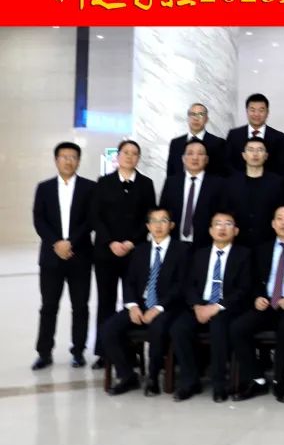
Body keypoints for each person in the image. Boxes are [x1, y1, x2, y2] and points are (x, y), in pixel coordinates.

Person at [99, 207, 188, 396]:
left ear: (171, 225)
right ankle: (127, 375)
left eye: (163, 220)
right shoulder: (140, 251)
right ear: (148, 226)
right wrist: (132, 306)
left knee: (157, 329)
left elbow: (181, 286)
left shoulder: (181, 250)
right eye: (154, 221)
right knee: (108, 330)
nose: (158, 225)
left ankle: (153, 377)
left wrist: (158, 307)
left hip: (167, 307)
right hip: (139, 305)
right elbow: (129, 281)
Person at [229, 205, 284, 403]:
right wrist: (257, 297)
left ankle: (279, 381)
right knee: (237, 328)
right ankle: (257, 379)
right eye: (280, 218)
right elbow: (252, 280)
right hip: (266, 304)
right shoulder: (262, 249)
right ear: (273, 224)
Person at [170, 211, 253, 402]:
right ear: (210, 230)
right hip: (200, 305)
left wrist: (217, 307)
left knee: (219, 328)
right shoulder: (199, 254)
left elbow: (244, 289)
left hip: (226, 307)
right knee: (178, 328)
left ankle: (219, 384)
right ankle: (190, 381)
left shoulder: (244, 255)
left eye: (228, 224)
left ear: (236, 231)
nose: (222, 228)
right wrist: (197, 306)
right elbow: (188, 284)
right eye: (218, 224)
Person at [90, 139, 156, 369]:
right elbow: (95, 216)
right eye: (125, 152)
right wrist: (111, 242)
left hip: (134, 253)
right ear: (117, 157)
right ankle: (103, 352)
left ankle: (132, 351)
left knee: (134, 302)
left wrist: (130, 242)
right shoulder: (104, 182)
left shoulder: (146, 184)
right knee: (106, 302)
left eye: (134, 153)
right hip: (106, 252)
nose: (129, 156)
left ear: (138, 158)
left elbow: (149, 218)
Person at [32, 142, 96, 370]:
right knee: (48, 306)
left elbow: (91, 219)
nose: (68, 161)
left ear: (78, 161)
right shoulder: (44, 188)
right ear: (56, 160)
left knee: (80, 306)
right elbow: (39, 219)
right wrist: (56, 243)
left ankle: (78, 351)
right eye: (64, 157)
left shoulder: (90, 188)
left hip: (80, 255)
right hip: (51, 257)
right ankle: (44, 352)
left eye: (73, 157)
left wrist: (70, 242)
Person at [159, 139, 226, 249]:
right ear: (183, 159)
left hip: (205, 246)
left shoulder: (218, 184)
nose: (195, 158)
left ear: (206, 159)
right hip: (174, 244)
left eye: (200, 154)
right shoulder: (171, 182)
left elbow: (221, 215)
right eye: (190, 153)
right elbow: (163, 212)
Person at [224, 137, 284, 248]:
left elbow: (282, 211)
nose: (255, 154)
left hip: (268, 243)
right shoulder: (231, 183)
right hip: (237, 243)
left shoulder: (278, 183)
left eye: (260, 150)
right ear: (244, 155)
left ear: (266, 156)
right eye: (250, 150)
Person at [225, 93, 284, 173]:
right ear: (247, 111)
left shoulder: (279, 137)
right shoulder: (234, 135)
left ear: (267, 112)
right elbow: (227, 164)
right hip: (238, 180)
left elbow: (281, 167)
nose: (256, 114)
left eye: (261, 110)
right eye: (252, 110)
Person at [166, 103, 227, 176]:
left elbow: (223, 175)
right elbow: (170, 174)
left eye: (200, 114)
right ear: (188, 118)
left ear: (206, 119)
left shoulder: (218, 143)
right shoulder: (176, 143)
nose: (196, 118)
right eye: (192, 114)